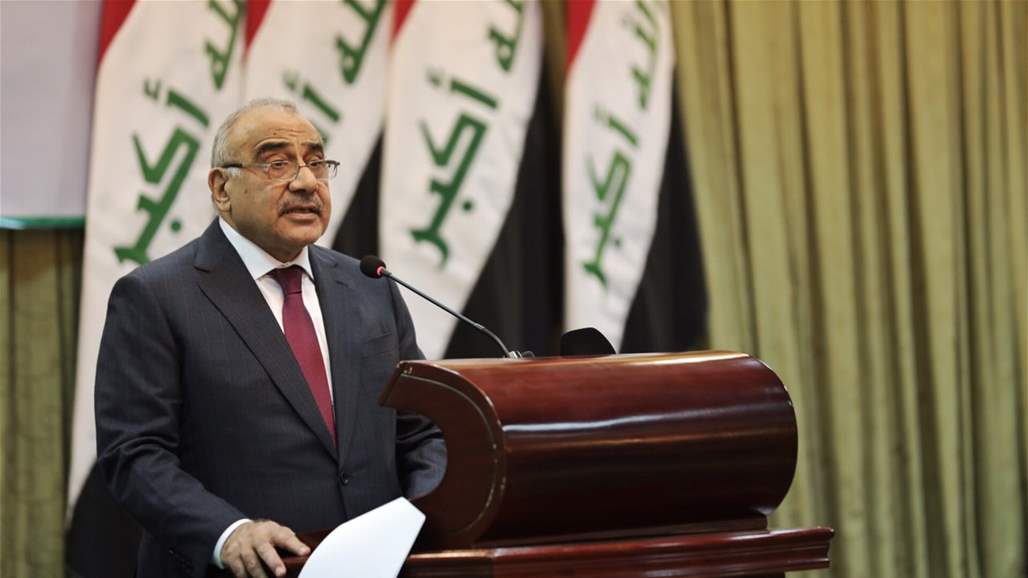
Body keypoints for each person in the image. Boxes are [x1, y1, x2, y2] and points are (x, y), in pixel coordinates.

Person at [95, 99, 446, 578]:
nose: (306, 182)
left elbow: (421, 430)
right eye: (277, 163)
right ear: (222, 188)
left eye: (316, 162)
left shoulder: (370, 285)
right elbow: (134, 455)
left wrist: (424, 515)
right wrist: (228, 532)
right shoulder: (156, 297)